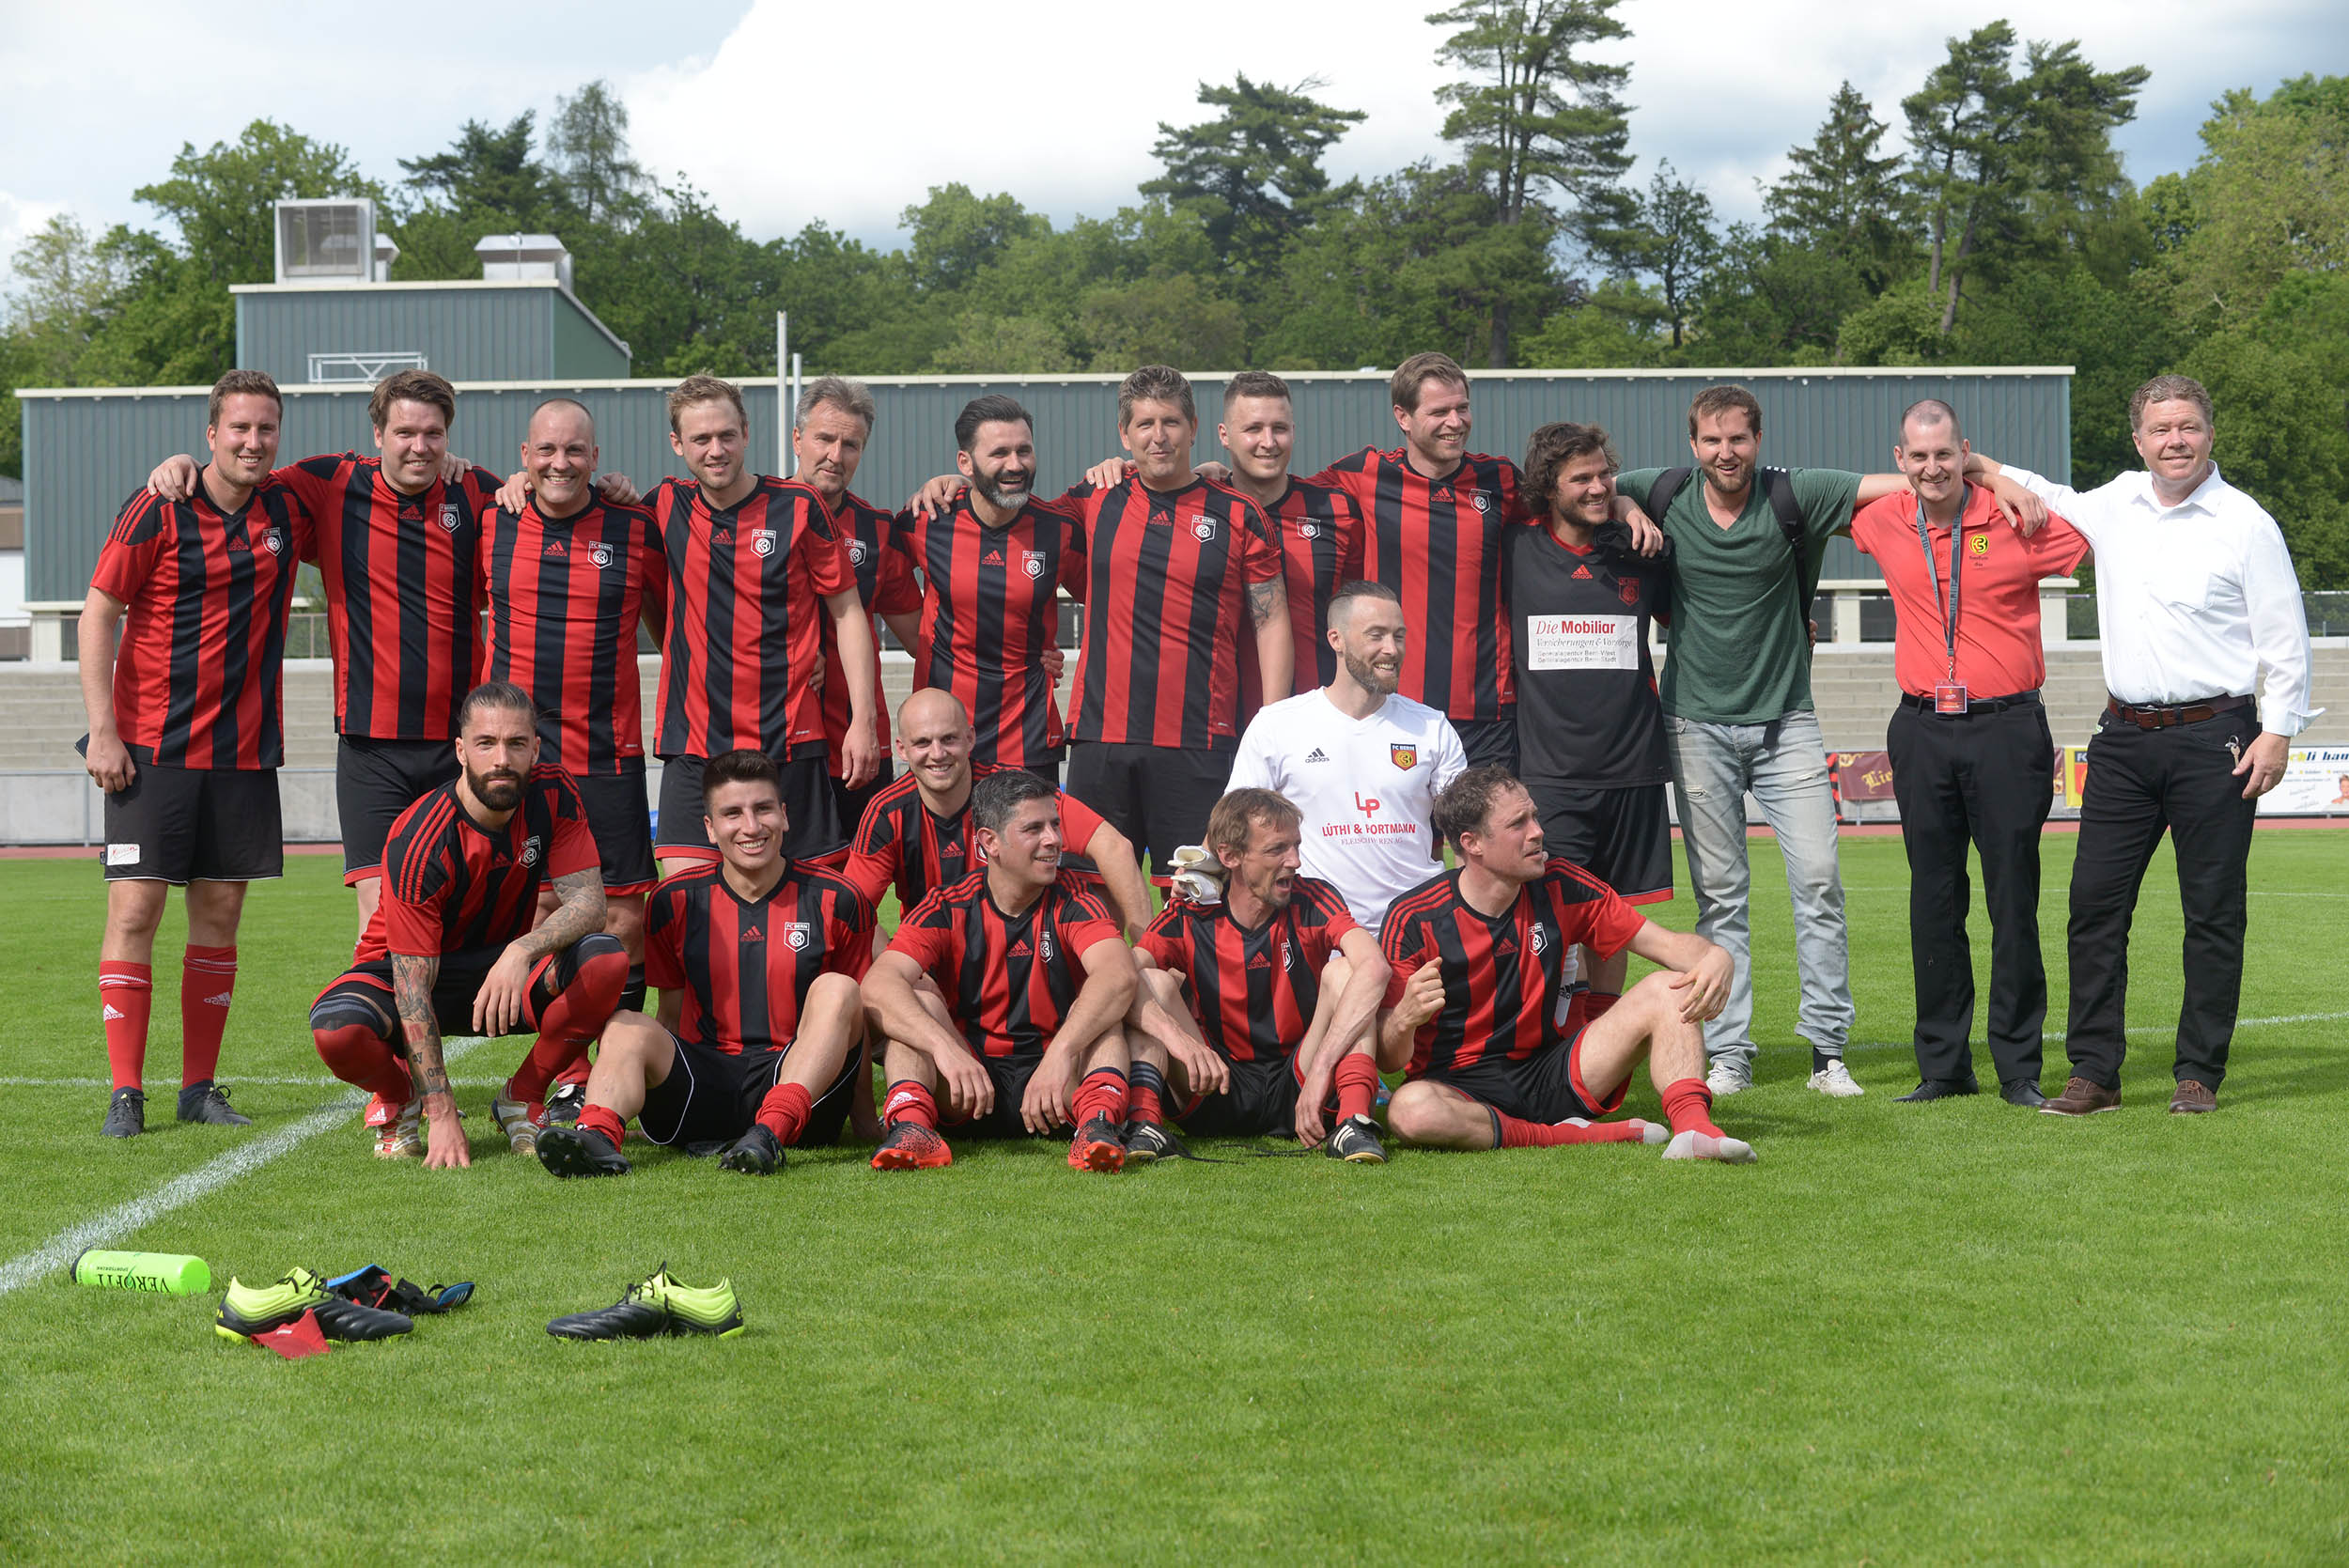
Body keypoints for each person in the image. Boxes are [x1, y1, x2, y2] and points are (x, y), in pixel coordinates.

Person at [1968, 374, 2318, 1115]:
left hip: (2217, 737)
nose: (2175, 441)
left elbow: (2286, 637)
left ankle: (2199, 1073)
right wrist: (1976, 466)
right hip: (2124, 739)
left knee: (2212, 912)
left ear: (2210, 433)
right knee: (2094, 907)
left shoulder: (2245, 522)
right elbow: (2043, 492)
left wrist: (2279, 731)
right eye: (2161, 429)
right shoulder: (2116, 503)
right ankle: (2095, 1071)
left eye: (2187, 426)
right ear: (2139, 440)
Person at [1618, 383, 1912, 1099]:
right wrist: (1627, 508)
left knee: (1819, 880)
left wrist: (1988, 472)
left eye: (1739, 439)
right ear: (1693, 444)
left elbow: (1910, 481)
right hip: (1694, 725)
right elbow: (1592, 484)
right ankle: (1729, 1052)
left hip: (1788, 722)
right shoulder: (1661, 491)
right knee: (1721, 898)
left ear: (1759, 440)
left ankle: (1827, 1052)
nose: (1727, 452)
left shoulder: (1794, 493)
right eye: (1713, 440)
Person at [148, 369, 511, 941]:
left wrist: (556, 481)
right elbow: (241, 474)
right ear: (378, 434)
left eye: (433, 434)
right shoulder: (328, 483)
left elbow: (545, 503)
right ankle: (385, 1004)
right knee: (381, 908)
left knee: (472, 903)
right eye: (405, 433)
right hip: (371, 746)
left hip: (461, 745)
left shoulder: (477, 491)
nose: (419, 447)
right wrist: (183, 463)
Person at [82, 370, 308, 1137]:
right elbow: (99, 613)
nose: (253, 441)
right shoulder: (159, 507)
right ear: (211, 433)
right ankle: (125, 1092)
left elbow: (376, 482)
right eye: (239, 427)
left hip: (242, 753)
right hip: (151, 747)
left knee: (219, 913)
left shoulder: (288, 508)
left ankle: (198, 1088)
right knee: (135, 909)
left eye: (266, 428)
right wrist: (103, 729)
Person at [1850, 399, 2088, 1108]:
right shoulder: (1882, 520)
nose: (1933, 468)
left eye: (1947, 454)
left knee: (2013, 899)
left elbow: (2098, 536)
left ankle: (2018, 1067)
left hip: (2006, 728)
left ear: (1966, 454)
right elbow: (1806, 499)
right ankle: (1944, 1066)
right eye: (1919, 456)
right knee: (1934, 899)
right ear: (1900, 461)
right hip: (1921, 727)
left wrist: (1998, 477)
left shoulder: (2018, 516)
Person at [306, 683, 628, 1167]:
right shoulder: (421, 838)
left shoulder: (553, 792)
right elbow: (413, 991)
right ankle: (400, 1097)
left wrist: (520, 951)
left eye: (516, 744)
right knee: (337, 1028)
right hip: (404, 973)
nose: (502, 759)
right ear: (461, 751)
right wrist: (442, 1114)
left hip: (501, 972)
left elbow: (589, 904)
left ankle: (522, 1097)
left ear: (535, 749)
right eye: (486, 743)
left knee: (606, 959)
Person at [1377, 768, 1751, 1162]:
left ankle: (1694, 1129)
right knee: (1409, 1111)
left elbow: (1668, 945)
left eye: (1534, 817)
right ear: (1473, 844)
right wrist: (1404, 1018)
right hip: (1457, 1089)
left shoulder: (1560, 883)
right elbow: (1389, 1059)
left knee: (1667, 989)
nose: (1537, 832)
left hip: (1549, 1073)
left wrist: (1717, 956)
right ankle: (1568, 1135)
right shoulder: (1414, 918)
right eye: (1518, 824)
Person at [534, 749, 873, 1178]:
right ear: (710, 828)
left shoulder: (839, 898)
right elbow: (670, 1017)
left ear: (785, 816)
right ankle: (597, 1136)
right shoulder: (673, 901)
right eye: (733, 814)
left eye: (763, 809)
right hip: (705, 1087)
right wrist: (637, 1084)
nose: (752, 827)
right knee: (624, 1023)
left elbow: (851, 1024)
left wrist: (865, 1122)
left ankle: (768, 1133)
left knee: (839, 989)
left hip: (801, 1092)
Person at [1057, 366, 1291, 873]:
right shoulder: (1094, 498)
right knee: (1089, 892)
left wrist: (1272, 722)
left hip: (1198, 741)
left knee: (1195, 891)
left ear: (1194, 427)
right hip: (1102, 737)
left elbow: (1271, 621)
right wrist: (956, 483)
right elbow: (1017, 532)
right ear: (1125, 434)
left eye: (1171, 422)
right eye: (1144, 424)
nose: (1158, 437)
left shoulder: (1239, 514)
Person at [480, 397, 666, 1023]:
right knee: (536, 909)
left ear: (595, 457)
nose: (560, 462)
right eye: (547, 450)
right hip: (519, 757)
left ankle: (618, 1058)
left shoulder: (635, 526)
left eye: (574, 450)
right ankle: (561, 1067)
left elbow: (676, 622)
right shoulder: (492, 520)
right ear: (525, 456)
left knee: (625, 915)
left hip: (606, 752)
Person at [646, 375, 880, 869]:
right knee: (686, 901)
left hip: (787, 741)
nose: (716, 450)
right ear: (677, 444)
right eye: (701, 439)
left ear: (746, 433)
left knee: (814, 900)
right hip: (693, 743)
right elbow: (582, 505)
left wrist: (863, 721)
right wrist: (520, 482)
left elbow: (848, 613)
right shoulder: (664, 504)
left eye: (726, 436)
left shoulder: (799, 506)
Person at [862, 769, 1141, 1172]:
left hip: (1056, 1086)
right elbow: (878, 984)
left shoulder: (1075, 898)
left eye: (1055, 825)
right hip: (969, 1084)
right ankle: (912, 1129)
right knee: (914, 1006)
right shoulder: (948, 904)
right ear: (989, 842)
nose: (1054, 840)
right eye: (1034, 829)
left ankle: (1096, 1128)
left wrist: (1060, 1053)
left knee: (1104, 1018)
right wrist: (944, 1048)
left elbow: (1118, 975)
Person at [1509, 422, 1677, 1047]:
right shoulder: (1515, 547)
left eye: (1605, 474)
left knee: (1616, 919)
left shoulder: (1640, 548)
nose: (1599, 487)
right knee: (1549, 918)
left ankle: (1602, 1041)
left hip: (1632, 768)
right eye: (1581, 478)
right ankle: (1546, 1042)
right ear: (1548, 488)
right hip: (1551, 775)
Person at [1121, 789, 1392, 1162]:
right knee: (1151, 982)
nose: (1295, 861)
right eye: (1277, 849)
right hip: (1215, 1083)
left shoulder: (1313, 898)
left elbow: (1376, 967)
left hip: (1302, 1081)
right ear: (1230, 856)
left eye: (1296, 846)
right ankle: (1144, 1125)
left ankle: (1354, 1122)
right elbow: (1117, 980)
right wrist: (1179, 1041)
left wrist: (1322, 1067)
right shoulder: (1189, 914)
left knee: (1348, 972)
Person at [1307, 353, 1530, 771]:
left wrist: (1623, 501)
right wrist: (1217, 477)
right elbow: (1280, 495)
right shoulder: (1366, 473)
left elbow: (1572, 503)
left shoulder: (1501, 479)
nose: (1455, 422)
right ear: (1403, 417)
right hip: (1394, 706)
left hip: (1486, 711)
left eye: (1462, 408)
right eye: (1439, 411)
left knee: (1493, 817)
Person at [1226, 580, 1465, 935]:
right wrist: (1199, 871)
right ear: (1336, 639)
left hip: (1417, 931)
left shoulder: (1431, 726)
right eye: (1376, 635)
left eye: (1399, 636)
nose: (1391, 649)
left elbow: (1466, 832)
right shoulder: (1277, 725)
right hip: (1318, 933)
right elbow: (1235, 825)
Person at [844, 689, 1154, 939]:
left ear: (970, 738)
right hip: (934, 961)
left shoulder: (1014, 790)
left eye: (949, 739)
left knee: (1140, 982)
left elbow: (1114, 847)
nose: (937, 754)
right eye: (923, 742)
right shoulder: (886, 813)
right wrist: (896, 966)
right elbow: (851, 913)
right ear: (902, 749)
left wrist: (1144, 952)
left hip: (1028, 956)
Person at [891, 396, 1083, 777]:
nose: (1015, 464)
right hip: (944, 741)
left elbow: (1116, 598)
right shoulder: (927, 520)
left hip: (1028, 737)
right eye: (999, 453)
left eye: (1024, 451)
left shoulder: (1058, 530)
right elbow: (866, 587)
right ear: (965, 462)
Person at [793, 376, 925, 833]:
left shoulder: (876, 530)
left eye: (851, 444)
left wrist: (1028, 651)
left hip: (857, 743)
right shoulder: (755, 514)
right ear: (797, 439)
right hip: (774, 743)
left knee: (862, 873)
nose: (836, 455)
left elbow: (923, 639)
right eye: (824, 438)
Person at [1213, 371, 1367, 713]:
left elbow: (1356, 616)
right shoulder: (1200, 509)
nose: (1268, 442)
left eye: (1279, 428)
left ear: (1294, 432)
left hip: (1318, 716)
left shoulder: (1337, 510)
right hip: (1214, 721)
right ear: (1225, 435)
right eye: (1253, 429)